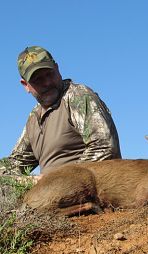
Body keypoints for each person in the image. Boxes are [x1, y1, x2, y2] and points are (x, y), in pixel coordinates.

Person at [0, 46, 122, 178]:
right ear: (26, 85)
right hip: (51, 193)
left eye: (50, 74)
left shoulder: (78, 97)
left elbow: (105, 147)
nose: (47, 82)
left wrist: (55, 181)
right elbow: (16, 162)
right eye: (38, 79)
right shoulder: (34, 117)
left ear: (57, 69)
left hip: (90, 190)